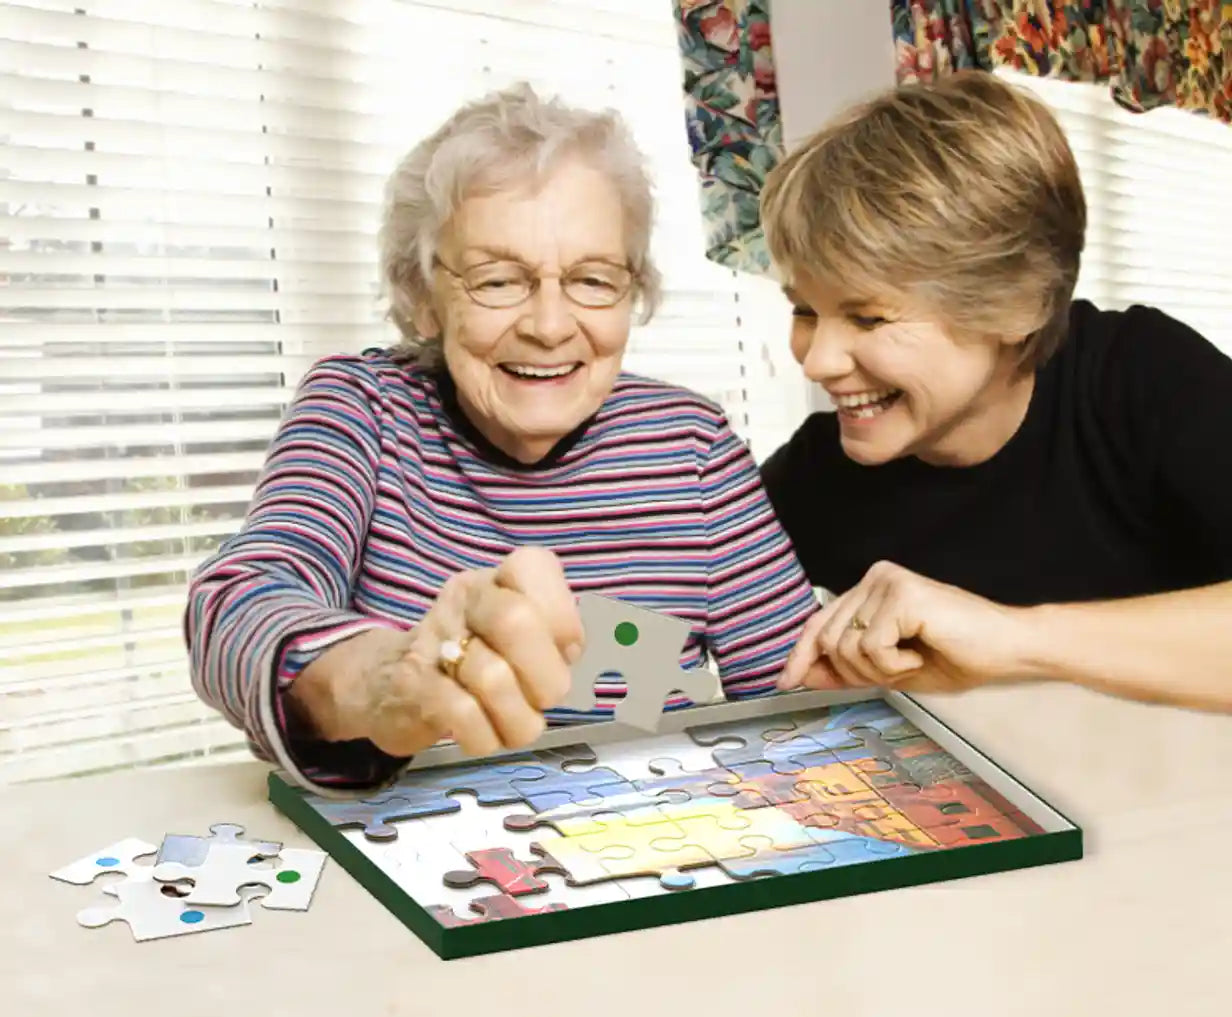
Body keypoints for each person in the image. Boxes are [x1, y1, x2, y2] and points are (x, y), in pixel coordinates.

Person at [183, 83, 819, 793]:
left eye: (592, 280)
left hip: (658, 858)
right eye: (497, 280)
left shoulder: (691, 447)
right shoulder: (362, 410)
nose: (549, 325)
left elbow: (800, 706)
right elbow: (238, 602)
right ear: (423, 296)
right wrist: (390, 680)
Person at [756, 70, 1232, 713]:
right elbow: (646, 644)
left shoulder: (1144, 379)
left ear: (1018, 305)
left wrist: (1014, 640)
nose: (817, 361)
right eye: (804, 311)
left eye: (868, 317)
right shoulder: (814, 475)